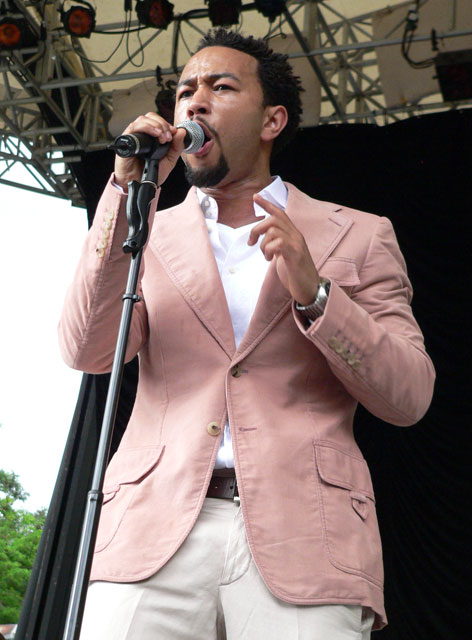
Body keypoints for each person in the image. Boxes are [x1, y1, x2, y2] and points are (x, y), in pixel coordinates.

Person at [59, 28, 435, 640]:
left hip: (306, 533)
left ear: (271, 120)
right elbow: (87, 349)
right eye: (185, 90)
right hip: (152, 531)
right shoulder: (147, 229)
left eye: (220, 87)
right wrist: (124, 192)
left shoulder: (359, 234)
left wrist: (317, 294)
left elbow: (409, 394)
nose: (194, 100)